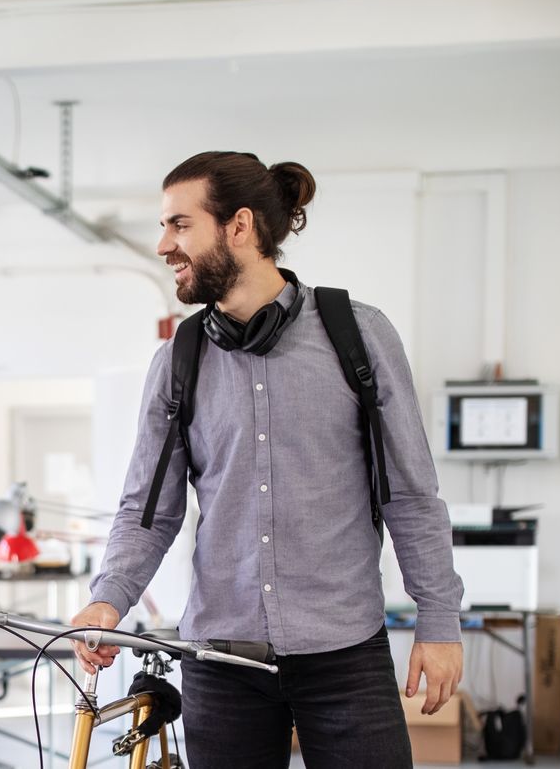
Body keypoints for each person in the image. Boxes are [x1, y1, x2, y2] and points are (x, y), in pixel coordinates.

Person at [72, 151, 464, 768]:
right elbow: (148, 508)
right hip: (220, 665)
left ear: (240, 226)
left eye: (179, 225)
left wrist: (439, 620)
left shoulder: (358, 336)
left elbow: (410, 494)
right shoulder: (178, 361)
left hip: (345, 656)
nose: (162, 245)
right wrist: (109, 597)